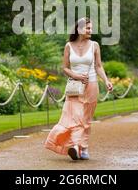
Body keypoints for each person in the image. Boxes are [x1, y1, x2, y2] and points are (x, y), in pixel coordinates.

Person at [44, 17, 113, 160]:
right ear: (79, 29)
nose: (90, 31)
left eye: (91, 28)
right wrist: (77, 76)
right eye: (88, 28)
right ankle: (75, 146)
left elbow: (98, 66)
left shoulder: (95, 45)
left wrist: (106, 81)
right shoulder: (69, 46)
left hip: (91, 85)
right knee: (75, 117)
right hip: (75, 87)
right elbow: (64, 68)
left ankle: (84, 147)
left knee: (86, 119)